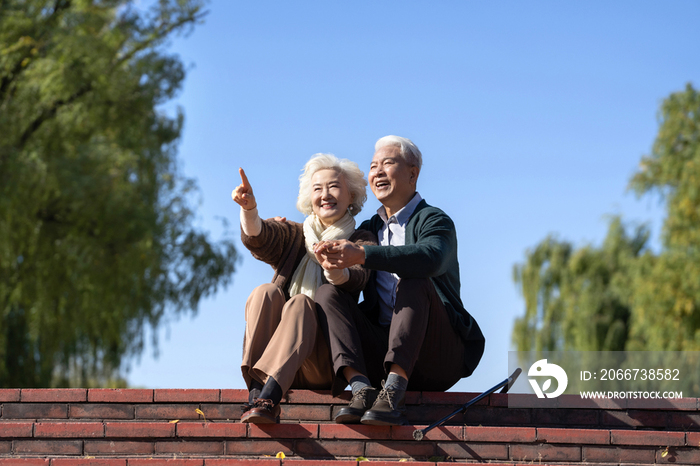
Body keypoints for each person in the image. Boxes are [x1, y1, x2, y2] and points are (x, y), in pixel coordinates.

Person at [313, 135, 485, 426]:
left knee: (414, 279)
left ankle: (394, 390)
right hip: (381, 350)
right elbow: (324, 223)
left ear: (413, 173)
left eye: (387, 164)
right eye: (373, 166)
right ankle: (362, 390)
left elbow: (431, 257)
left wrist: (364, 254)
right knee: (327, 293)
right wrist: (282, 226)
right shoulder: (368, 229)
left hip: (436, 354)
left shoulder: (435, 220)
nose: (377, 172)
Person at [232, 153, 376, 424]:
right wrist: (249, 210)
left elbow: (360, 278)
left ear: (351, 196)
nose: (325, 194)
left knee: (300, 304)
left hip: (320, 361)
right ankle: (255, 392)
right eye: (318, 188)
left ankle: (269, 399)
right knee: (266, 292)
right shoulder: (297, 235)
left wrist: (334, 268)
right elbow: (261, 237)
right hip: (276, 357)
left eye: (334, 187)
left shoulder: (360, 240)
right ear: (310, 198)